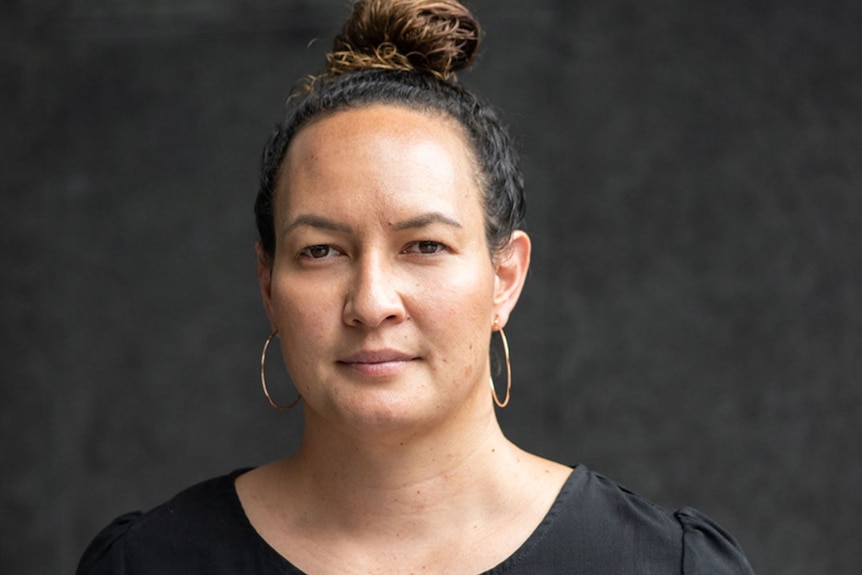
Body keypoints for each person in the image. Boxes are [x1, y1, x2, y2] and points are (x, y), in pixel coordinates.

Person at [77, 1, 755, 573]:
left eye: (424, 246)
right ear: (268, 283)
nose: (371, 302)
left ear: (505, 277)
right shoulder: (149, 562)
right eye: (321, 250)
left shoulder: (662, 565)